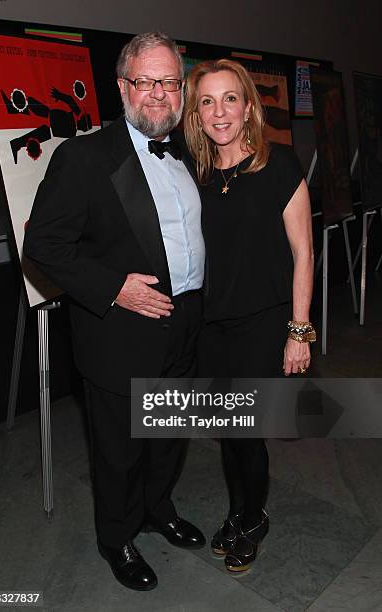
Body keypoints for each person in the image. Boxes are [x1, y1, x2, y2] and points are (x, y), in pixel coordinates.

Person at [24, 32, 206, 592]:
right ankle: (117, 536)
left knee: (168, 435)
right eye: (145, 81)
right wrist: (113, 288)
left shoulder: (188, 155)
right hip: (120, 333)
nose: (158, 93)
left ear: (181, 89)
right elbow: (44, 248)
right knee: (120, 448)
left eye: (169, 82)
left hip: (185, 324)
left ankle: (157, 509)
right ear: (123, 87)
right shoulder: (83, 158)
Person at [184, 59, 315, 572]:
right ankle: (239, 511)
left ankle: (252, 516)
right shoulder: (194, 174)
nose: (220, 112)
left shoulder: (279, 163)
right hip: (211, 324)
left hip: (263, 321)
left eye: (230, 99)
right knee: (226, 427)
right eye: (207, 101)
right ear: (197, 112)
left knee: (245, 428)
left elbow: (304, 252)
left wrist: (298, 331)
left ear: (248, 107)